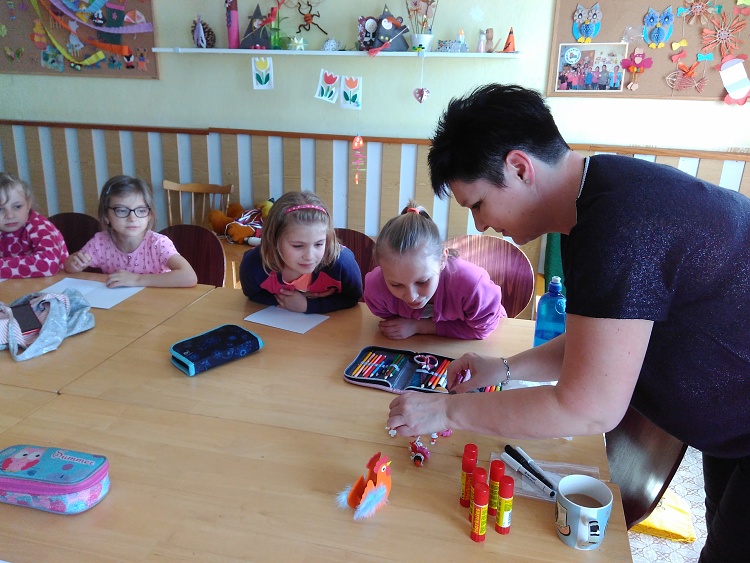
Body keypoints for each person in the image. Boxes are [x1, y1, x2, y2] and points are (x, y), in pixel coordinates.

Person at [386, 84, 750, 562]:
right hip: (731, 421)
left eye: (477, 204)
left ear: (519, 168)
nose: (479, 226)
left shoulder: (618, 226)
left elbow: (589, 407)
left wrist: (447, 412)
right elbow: (598, 344)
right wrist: (505, 368)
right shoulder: (600, 198)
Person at [364, 203, 505, 340]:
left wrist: (419, 327)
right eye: (396, 285)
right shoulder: (376, 288)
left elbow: (483, 329)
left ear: (442, 259)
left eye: (422, 282)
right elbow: (389, 319)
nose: (411, 297)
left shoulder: (473, 286)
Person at [239, 191, 362, 313]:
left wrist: (309, 305)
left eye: (319, 244)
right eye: (298, 246)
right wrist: (286, 302)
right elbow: (252, 294)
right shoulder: (253, 264)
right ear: (274, 241)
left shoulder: (342, 264)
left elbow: (353, 297)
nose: (309, 256)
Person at [64, 175, 197, 288]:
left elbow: (189, 277)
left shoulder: (158, 243)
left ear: (149, 215)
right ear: (106, 216)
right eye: (122, 210)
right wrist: (73, 264)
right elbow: (69, 266)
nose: (132, 218)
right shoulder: (101, 242)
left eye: (141, 210)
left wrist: (137, 280)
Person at [0, 172, 68, 279]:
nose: (9, 215)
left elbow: (48, 264)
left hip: (53, 285)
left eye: (17, 206)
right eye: (0, 209)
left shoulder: (40, 226)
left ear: (28, 204)